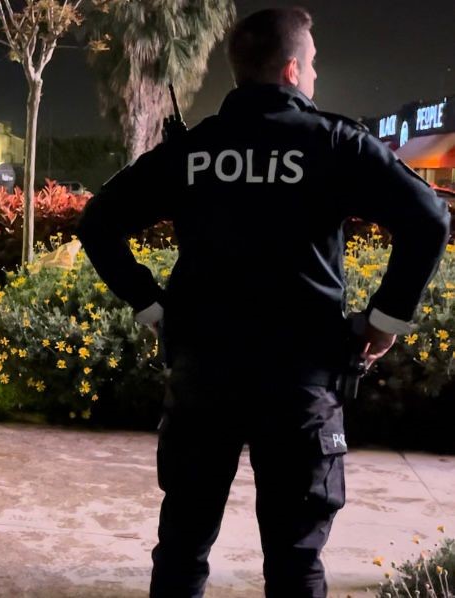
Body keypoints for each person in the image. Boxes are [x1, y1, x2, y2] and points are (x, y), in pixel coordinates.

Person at [76, 7, 449, 598]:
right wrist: (383, 322)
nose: (315, 75)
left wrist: (152, 308)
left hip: (203, 375)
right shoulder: (334, 143)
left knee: (182, 550)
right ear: (292, 70)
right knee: (296, 562)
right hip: (302, 380)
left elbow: (97, 222)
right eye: (313, 65)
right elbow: (429, 217)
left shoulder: (195, 150)